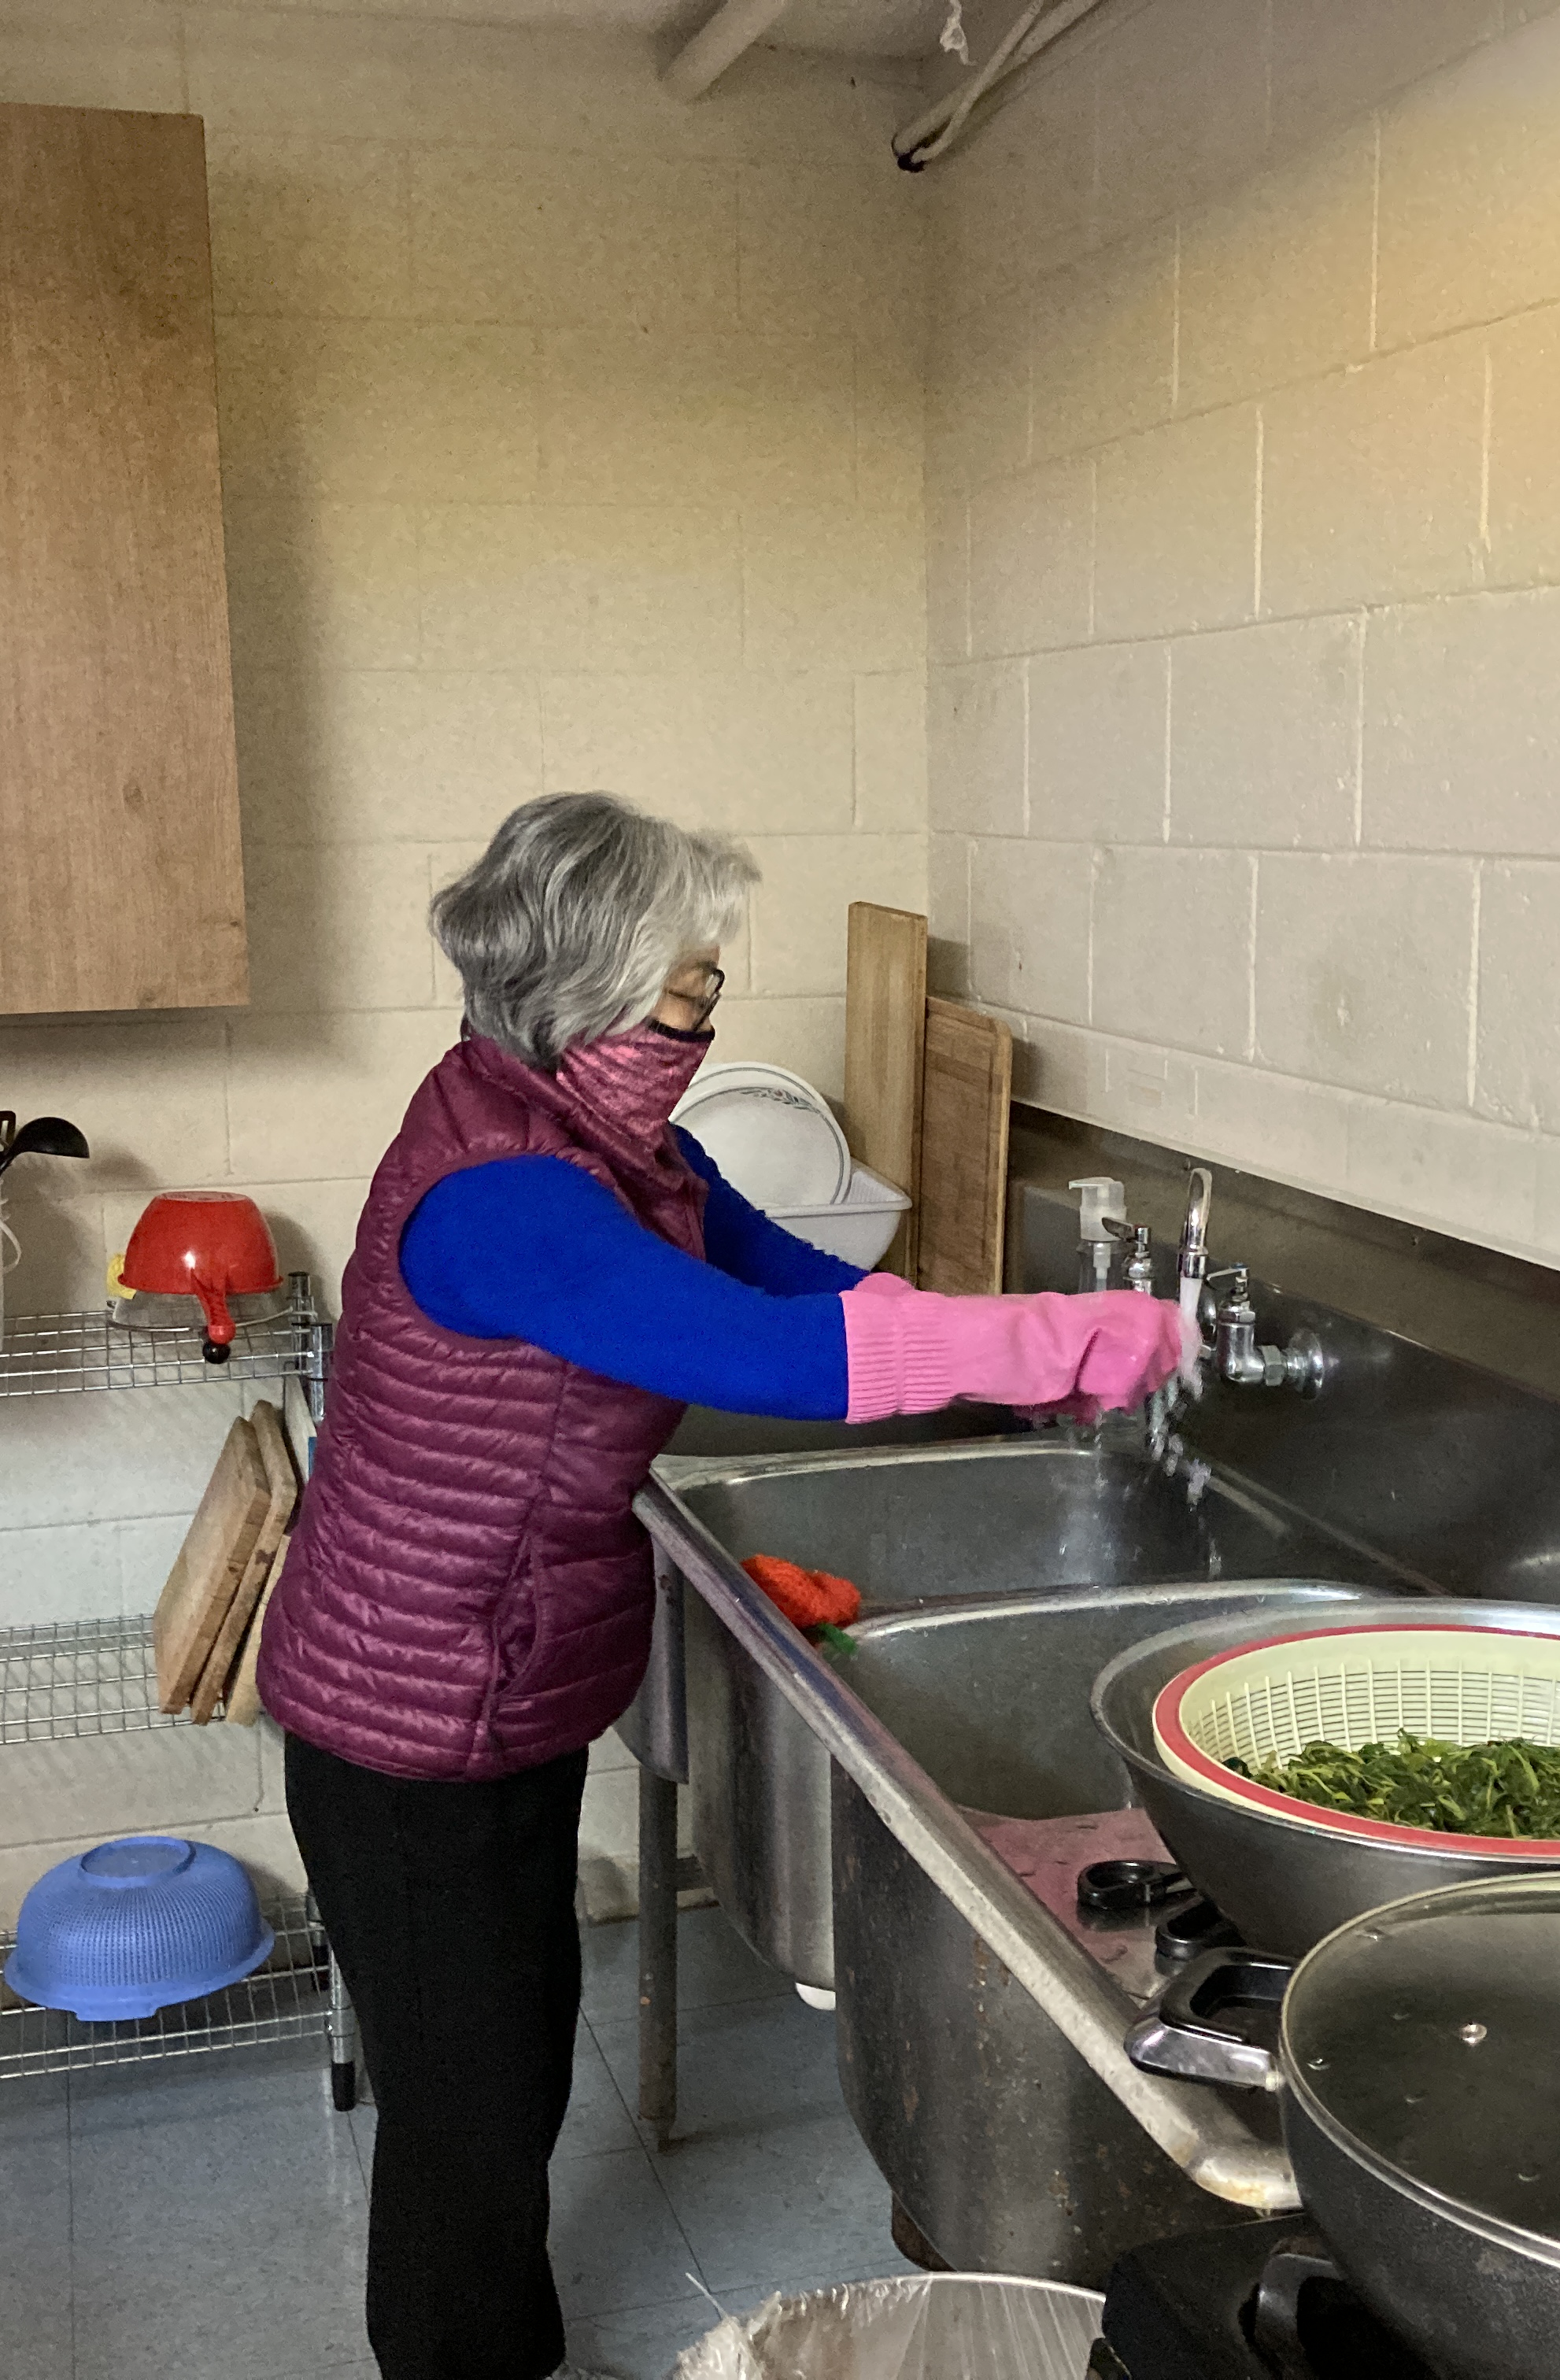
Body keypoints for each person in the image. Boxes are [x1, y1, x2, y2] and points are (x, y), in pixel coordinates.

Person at [253, 793, 1185, 2380]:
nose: (707, 1020)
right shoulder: (508, 1199)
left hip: (500, 1683)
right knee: (468, 2114)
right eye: (690, 991)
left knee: (510, 2059)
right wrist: (1043, 1343)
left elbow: (803, 1287)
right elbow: (764, 1355)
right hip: (407, 1717)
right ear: (593, 992)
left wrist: (997, 1357)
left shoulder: (625, 1149)